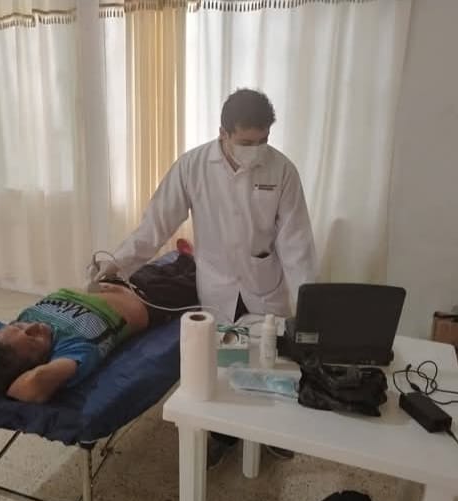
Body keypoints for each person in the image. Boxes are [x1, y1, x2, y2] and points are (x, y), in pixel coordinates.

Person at [89, 89, 318, 467]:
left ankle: (271, 434)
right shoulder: (192, 166)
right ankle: (223, 435)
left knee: (270, 358)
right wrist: (117, 264)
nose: (256, 150)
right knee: (224, 363)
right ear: (223, 133)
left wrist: (310, 307)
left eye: (263, 140)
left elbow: (297, 243)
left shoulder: (282, 170)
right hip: (217, 283)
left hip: (265, 282)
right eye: (246, 142)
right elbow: (155, 225)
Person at [0, 253, 197, 403]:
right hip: (156, 299)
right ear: (37, 363)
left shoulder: (6, 337)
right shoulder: (73, 350)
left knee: (178, 261)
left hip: (122, 281)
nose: (34, 325)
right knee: (207, 274)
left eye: (21, 325)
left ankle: (185, 257)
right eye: (33, 339)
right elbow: (32, 387)